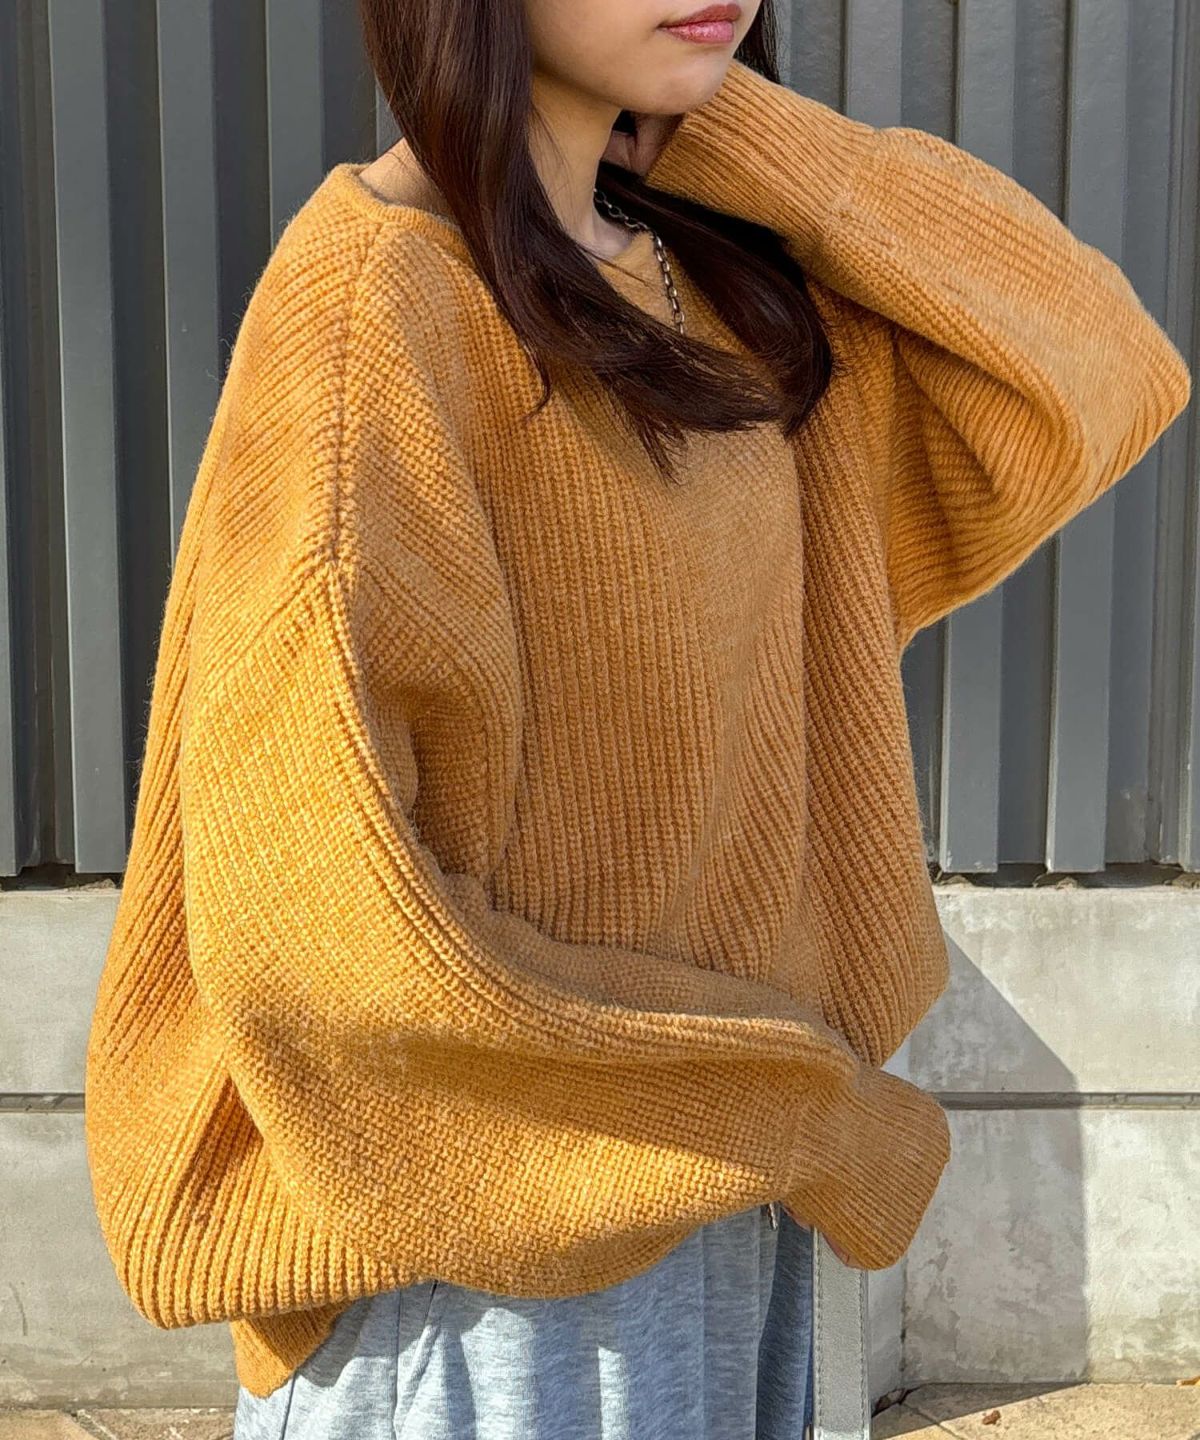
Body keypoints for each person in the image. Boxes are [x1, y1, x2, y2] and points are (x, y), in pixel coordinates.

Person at [81, 1, 1192, 1437]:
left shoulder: (713, 281)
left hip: (732, 1207)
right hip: (492, 1259)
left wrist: (732, 133)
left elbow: (1096, 367)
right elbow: (323, 945)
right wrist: (792, 1108)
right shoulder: (376, 310)